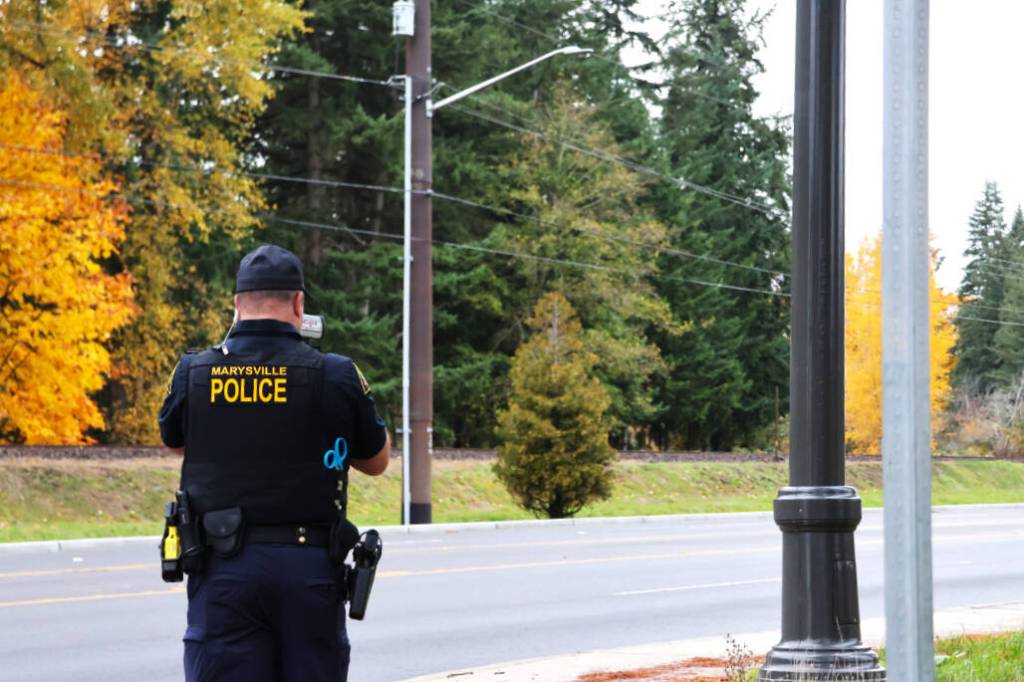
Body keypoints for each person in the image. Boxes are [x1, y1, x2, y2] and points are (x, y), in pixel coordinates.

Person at [158, 243, 390, 682]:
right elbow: (377, 460)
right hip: (308, 573)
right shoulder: (336, 374)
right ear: (299, 304)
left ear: (236, 305)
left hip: (222, 570)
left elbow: (174, 442)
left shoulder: (194, 372)